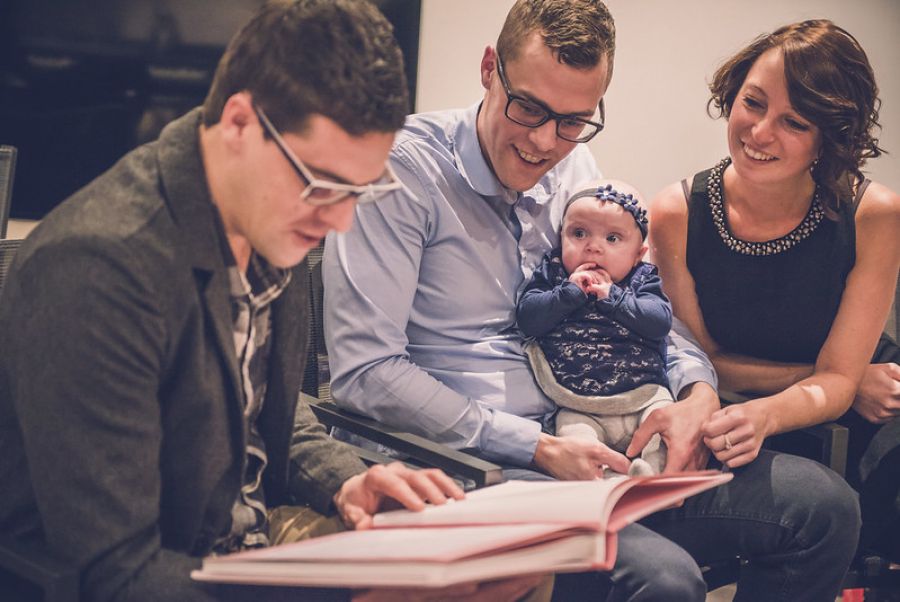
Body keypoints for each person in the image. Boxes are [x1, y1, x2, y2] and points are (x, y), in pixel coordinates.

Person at [0, 2, 545, 601]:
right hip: (166, 570)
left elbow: (262, 412)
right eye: (323, 185)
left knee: (506, 568)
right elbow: (118, 572)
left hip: (250, 540)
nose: (339, 221)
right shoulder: (100, 269)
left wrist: (347, 482)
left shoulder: (263, 214)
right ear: (239, 123)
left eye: (360, 190)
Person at [324, 1, 861, 599]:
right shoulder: (402, 172)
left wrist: (696, 395)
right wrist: (536, 446)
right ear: (489, 69)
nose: (543, 142)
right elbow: (367, 373)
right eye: (528, 107)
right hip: (478, 465)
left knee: (823, 508)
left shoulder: (574, 164)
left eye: (573, 120)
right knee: (664, 580)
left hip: (606, 439)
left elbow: (640, 296)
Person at [650, 19, 900, 562]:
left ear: (829, 136)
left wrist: (831, 386)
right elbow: (702, 363)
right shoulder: (676, 213)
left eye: (794, 122)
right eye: (753, 102)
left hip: (871, 404)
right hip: (752, 405)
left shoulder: (874, 214)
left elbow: (842, 377)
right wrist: (835, 380)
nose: (760, 132)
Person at [516, 180, 672, 476]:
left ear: (638, 255)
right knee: (573, 434)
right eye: (579, 233)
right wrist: (567, 294)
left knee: (663, 423)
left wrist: (615, 298)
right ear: (561, 236)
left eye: (612, 238)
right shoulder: (555, 273)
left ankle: (650, 475)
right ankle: (602, 480)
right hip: (578, 402)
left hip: (644, 396)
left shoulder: (642, 279)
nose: (593, 247)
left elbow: (659, 322)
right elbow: (528, 319)